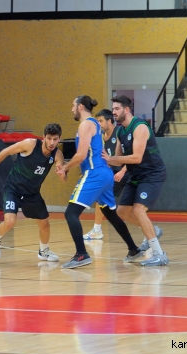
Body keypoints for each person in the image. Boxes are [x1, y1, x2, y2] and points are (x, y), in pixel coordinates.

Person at [59, 96, 144, 269]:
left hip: (95, 173)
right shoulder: (95, 124)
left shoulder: (85, 124)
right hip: (104, 173)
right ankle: (133, 249)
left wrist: (66, 167)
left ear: (80, 107)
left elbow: (82, 155)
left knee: (71, 213)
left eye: (73, 105)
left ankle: (81, 254)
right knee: (111, 214)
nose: (71, 109)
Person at [0, 123, 66, 262]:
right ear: (43, 137)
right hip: (13, 188)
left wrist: (63, 175)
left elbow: (63, 176)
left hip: (32, 193)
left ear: (59, 139)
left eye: (55, 139)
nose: (52, 142)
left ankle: (43, 252)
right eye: (49, 138)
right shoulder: (30, 144)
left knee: (44, 224)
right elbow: (5, 151)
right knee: (10, 222)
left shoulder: (57, 155)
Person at [103, 95, 169, 266]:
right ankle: (152, 231)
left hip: (152, 174)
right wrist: (105, 163)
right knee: (122, 212)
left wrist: (111, 159)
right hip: (135, 175)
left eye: (117, 109)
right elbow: (119, 158)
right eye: (113, 109)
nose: (114, 112)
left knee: (139, 210)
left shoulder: (139, 127)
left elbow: (137, 157)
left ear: (126, 109)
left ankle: (159, 254)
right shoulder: (119, 131)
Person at [83, 109, 131, 240]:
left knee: (130, 208)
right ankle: (97, 230)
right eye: (97, 121)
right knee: (103, 198)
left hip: (127, 171)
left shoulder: (119, 133)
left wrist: (122, 170)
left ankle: (97, 230)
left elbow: (132, 156)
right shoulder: (100, 138)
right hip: (112, 173)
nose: (98, 124)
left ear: (110, 121)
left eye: (100, 121)